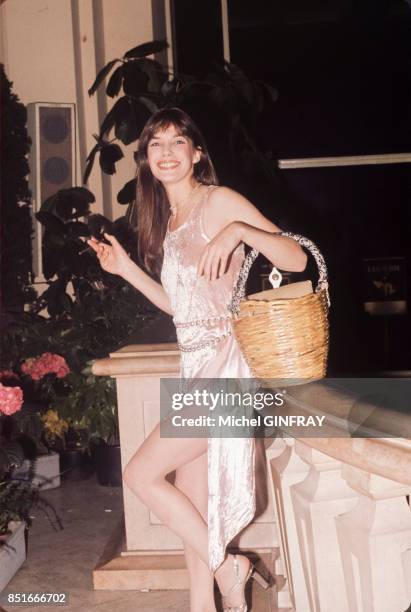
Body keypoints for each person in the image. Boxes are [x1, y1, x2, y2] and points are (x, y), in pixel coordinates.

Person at [87, 107, 306, 612]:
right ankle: (205, 602)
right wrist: (125, 270)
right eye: (155, 144)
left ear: (196, 153)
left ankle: (232, 567)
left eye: (176, 142)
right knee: (192, 494)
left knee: (140, 474)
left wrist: (238, 233)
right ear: (144, 158)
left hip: (228, 364)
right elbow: (178, 305)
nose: (166, 152)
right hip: (196, 361)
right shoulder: (168, 218)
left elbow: (294, 258)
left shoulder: (217, 201)